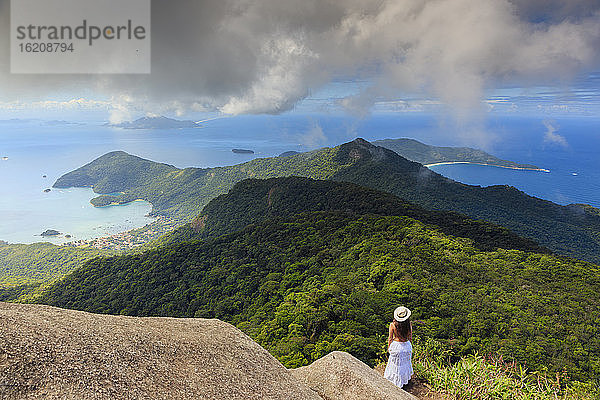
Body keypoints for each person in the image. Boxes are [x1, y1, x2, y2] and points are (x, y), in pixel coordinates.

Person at [383, 306, 413, 388]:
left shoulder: (392, 325)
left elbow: (390, 338)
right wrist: (409, 347)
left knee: (395, 365)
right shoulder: (408, 324)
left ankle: (395, 381)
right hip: (406, 345)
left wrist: (389, 348)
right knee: (405, 364)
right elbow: (410, 337)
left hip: (396, 346)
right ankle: (404, 381)